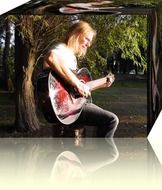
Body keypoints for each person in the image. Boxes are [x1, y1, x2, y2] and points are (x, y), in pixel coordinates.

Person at [43, 20, 119, 137]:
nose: (88, 44)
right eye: (87, 39)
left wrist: (103, 83)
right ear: (77, 33)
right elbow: (51, 57)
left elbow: (72, 89)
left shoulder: (72, 57)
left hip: (70, 106)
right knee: (111, 120)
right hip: (63, 107)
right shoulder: (62, 48)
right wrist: (78, 84)